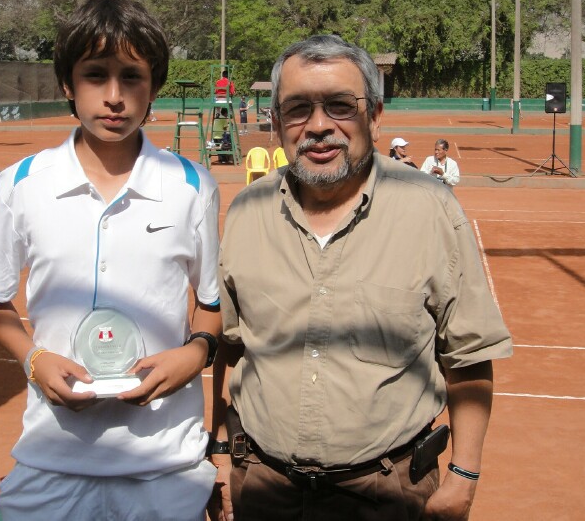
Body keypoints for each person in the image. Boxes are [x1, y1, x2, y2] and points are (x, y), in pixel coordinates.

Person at [210, 35, 512, 521]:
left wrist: (465, 475)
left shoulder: (430, 209)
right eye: (297, 108)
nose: (319, 126)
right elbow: (231, 346)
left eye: (339, 106)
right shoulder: (248, 211)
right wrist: (221, 454)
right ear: (276, 122)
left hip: (387, 492)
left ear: (373, 116)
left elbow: (469, 354)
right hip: (263, 487)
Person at [0, 0, 222, 520]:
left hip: (166, 466)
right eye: (94, 75)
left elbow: (210, 304)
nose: (114, 97)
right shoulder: (20, 185)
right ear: (68, 84)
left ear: (153, 86)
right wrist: (33, 359)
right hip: (51, 461)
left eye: (132, 77)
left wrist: (195, 353)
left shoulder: (193, 185)